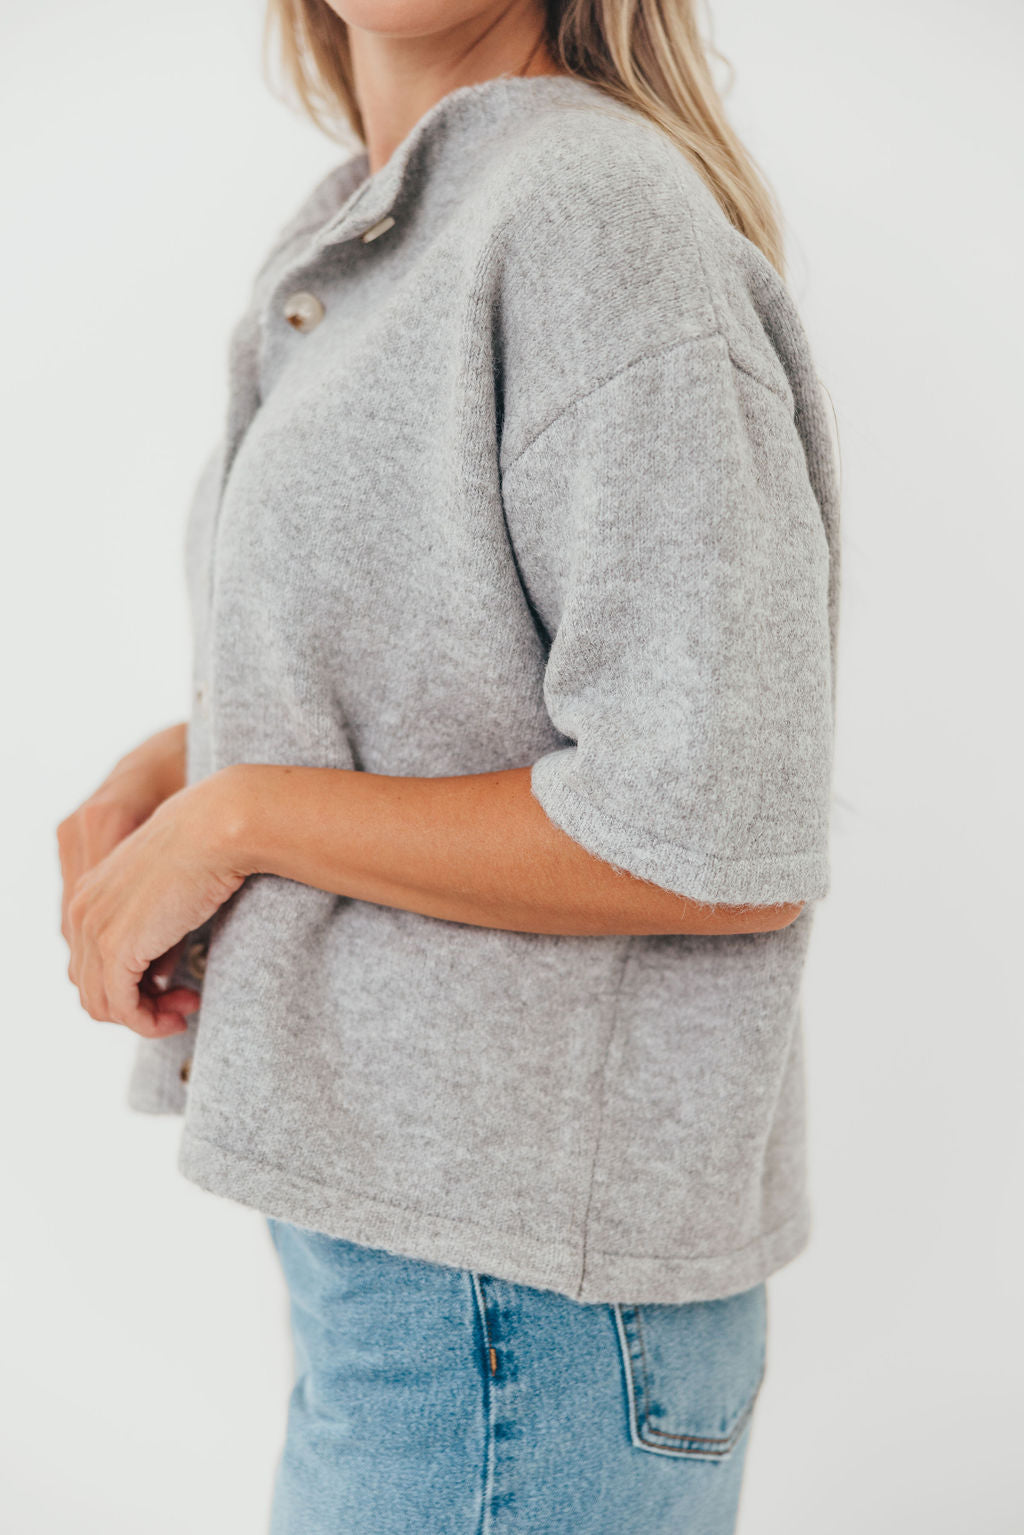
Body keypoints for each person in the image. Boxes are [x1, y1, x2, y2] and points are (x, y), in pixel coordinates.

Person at [57, 2, 840, 1530]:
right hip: (434, 1280)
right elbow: (468, 677)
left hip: (515, 1309)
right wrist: (186, 767)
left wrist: (241, 815)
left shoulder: (589, 211)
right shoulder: (383, 223)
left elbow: (712, 831)